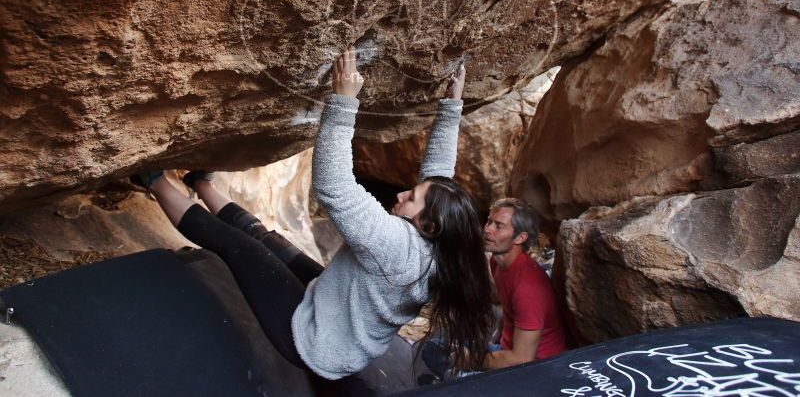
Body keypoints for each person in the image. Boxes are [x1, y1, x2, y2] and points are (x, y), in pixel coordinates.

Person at [135, 46, 494, 380]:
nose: (402, 193)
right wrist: (451, 109)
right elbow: (438, 181)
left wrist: (343, 101)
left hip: (314, 343)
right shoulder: (439, 245)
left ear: (428, 225)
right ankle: (202, 184)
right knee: (267, 238)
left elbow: (334, 186)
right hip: (333, 308)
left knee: (239, 246)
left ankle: (152, 179)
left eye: (411, 197)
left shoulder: (400, 249)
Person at [482, 198, 567, 369]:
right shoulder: (497, 262)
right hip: (508, 349)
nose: (487, 229)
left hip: (538, 368)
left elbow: (522, 360)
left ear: (520, 237)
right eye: (489, 221)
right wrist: (496, 336)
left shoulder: (528, 287)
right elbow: (507, 308)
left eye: (498, 226)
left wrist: (472, 360)